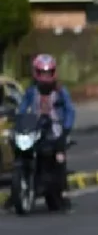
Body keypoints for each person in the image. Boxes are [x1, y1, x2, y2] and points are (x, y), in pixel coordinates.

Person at [3, 54, 75, 211]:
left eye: (48, 73)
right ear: (36, 73)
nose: (45, 77)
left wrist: (66, 128)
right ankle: (16, 191)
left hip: (54, 130)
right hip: (34, 128)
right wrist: (17, 117)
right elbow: (23, 107)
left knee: (58, 156)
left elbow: (70, 111)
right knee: (19, 149)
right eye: (42, 73)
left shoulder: (60, 91)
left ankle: (61, 192)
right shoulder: (31, 91)